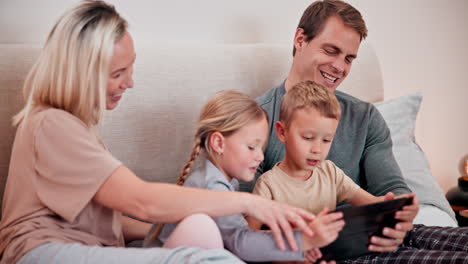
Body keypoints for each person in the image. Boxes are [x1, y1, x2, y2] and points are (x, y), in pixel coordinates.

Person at [0, 1, 318, 263]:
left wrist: (171, 222)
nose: (130, 82)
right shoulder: (52, 124)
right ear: (82, 74)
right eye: (118, 73)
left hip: (83, 247)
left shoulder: (79, 129)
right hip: (39, 253)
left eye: (131, 68)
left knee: (197, 233)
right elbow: (142, 201)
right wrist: (249, 204)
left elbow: (113, 219)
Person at [239, 0, 468, 258]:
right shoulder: (255, 121)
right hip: (337, 252)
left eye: (349, 58)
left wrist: (401, 217)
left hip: (383, 234)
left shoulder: (366, 117)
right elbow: (244, 225)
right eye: (331, 50)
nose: (339, 67)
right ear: (300, 39)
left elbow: (392, 190)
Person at [247, 80, 459, 262]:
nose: (317, 149)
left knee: (444, 238)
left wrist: (399, 207)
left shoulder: (329, 172)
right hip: (334, 258)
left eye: (326, 140)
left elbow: (371, 204)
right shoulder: (268, 186)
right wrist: (299, 245)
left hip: (353, 246)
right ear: (282, 132)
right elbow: (250, 239)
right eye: (308, 138)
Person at [144, 90, 344, 263]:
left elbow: (235, 238)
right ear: (219, 143)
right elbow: (240, 243)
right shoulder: (211, 184)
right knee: (201, 227)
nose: (260, 156)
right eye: (251, 147)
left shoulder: (224, 178)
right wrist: (303, 240)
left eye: (261, 147)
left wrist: (297, 248)